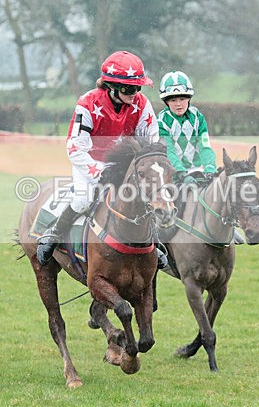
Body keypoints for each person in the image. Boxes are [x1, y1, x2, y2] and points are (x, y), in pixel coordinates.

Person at [36, 50, 165, 266]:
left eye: (138, 88)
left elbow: (151, 140)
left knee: (144, 198)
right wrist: (99, 172)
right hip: (89, 162)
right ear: (111, 86)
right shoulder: (87, 103)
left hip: (124, 165)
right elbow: (75, 148)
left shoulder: (142, 104)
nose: (134, 93)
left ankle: (155, 244)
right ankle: (53, 234)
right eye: (128, 88)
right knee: (84, 200)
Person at [156, 70, 244, 244]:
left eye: (182, 99)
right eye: (173, 100)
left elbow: (204, 146)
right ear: (166, 102)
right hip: (173, 172)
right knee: (178, 197)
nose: (178, 104)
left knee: (221, 192)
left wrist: (210, 169)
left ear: (189, 98)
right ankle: (165, 233)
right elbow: (169, 151)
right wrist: (181, 173)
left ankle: (230, 229)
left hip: (198, 169)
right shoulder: (161, 121)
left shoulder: (198, 117)